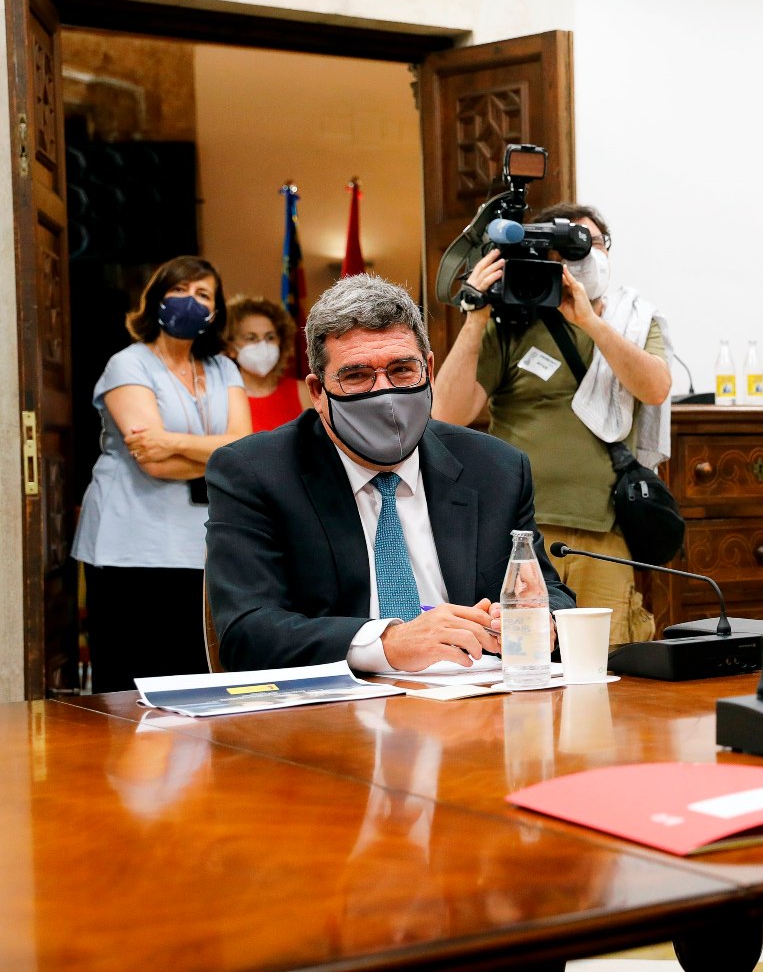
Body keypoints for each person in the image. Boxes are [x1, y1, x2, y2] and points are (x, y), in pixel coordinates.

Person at [205, 273, 575, 672]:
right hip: (336, 714)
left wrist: (540, 620)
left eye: (402, 370)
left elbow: (545, 592)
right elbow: (247, 633)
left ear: (429, 370)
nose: (386, 394)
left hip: (474, 701)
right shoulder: (256, 472)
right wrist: (387, 642)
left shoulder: (496, 468)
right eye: (357, 376)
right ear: (317, 391)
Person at [433, 202, 670, 647]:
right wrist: (476, 314)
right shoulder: (510, 323)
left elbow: (654, 387)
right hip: (520, 536)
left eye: (591, 244)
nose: (582, 257)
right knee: (519, 658)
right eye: (565, 249)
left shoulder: (633, 320)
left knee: (608, 662)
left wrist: (589, 322)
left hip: (603, 533)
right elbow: (445, 414)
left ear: (607, 253)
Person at [70, 255, 251, 691]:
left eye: (203, 294)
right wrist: (213, 453)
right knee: (131, 686)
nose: (191, 301)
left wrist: (171, 441)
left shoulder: (223, 367)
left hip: (198, 547)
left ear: (215, 311)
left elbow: (243, 447)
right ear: (156, 300)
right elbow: (150, 459)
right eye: (180, 290)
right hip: (130, 546)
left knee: (193, 679)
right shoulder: (128, 363)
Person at [223, 292, 311, 431]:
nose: (263, 345)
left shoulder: (305, 392)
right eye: (251, 338)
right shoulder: (222, 397)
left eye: (270, 337)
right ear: (230, 348)